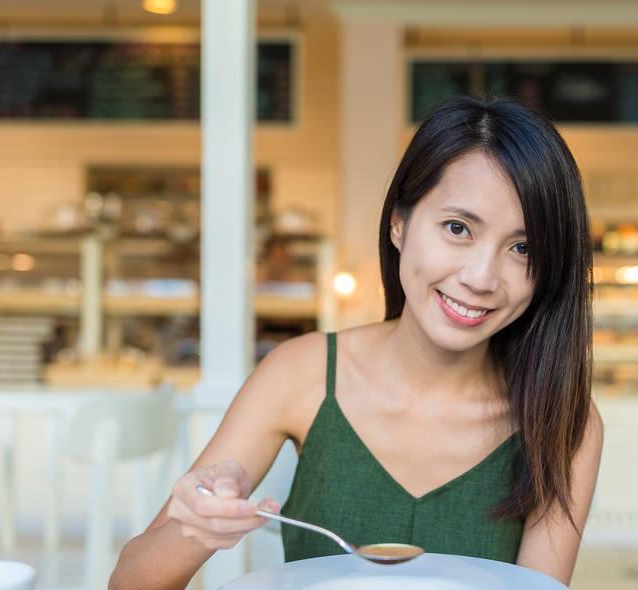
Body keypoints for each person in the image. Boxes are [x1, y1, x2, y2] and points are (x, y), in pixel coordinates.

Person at [110, 96, 603, 589]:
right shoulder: (299, 372)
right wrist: (199, 525)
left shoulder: (563, 419)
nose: (481, 277)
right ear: (399, 223)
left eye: (522, 248)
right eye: (458, 228)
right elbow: (129, 583)